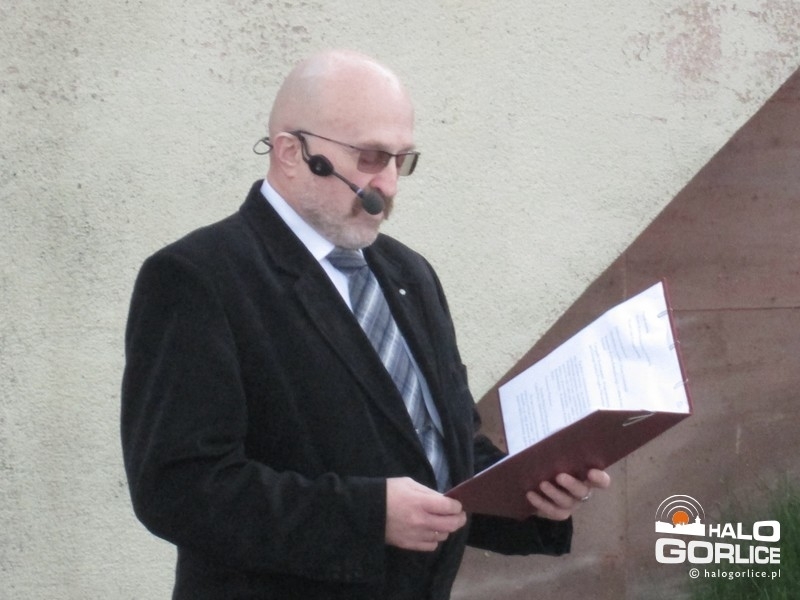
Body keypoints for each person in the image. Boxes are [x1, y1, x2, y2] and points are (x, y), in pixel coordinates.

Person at [121, 49, 611, 600]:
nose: (390, 185)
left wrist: (532, 493)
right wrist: (367, 516)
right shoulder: (198, 277)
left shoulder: (409, 273)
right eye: (372, 157)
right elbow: (178, 488)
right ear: (292, 153)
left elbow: (442, 449)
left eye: (402, 160)